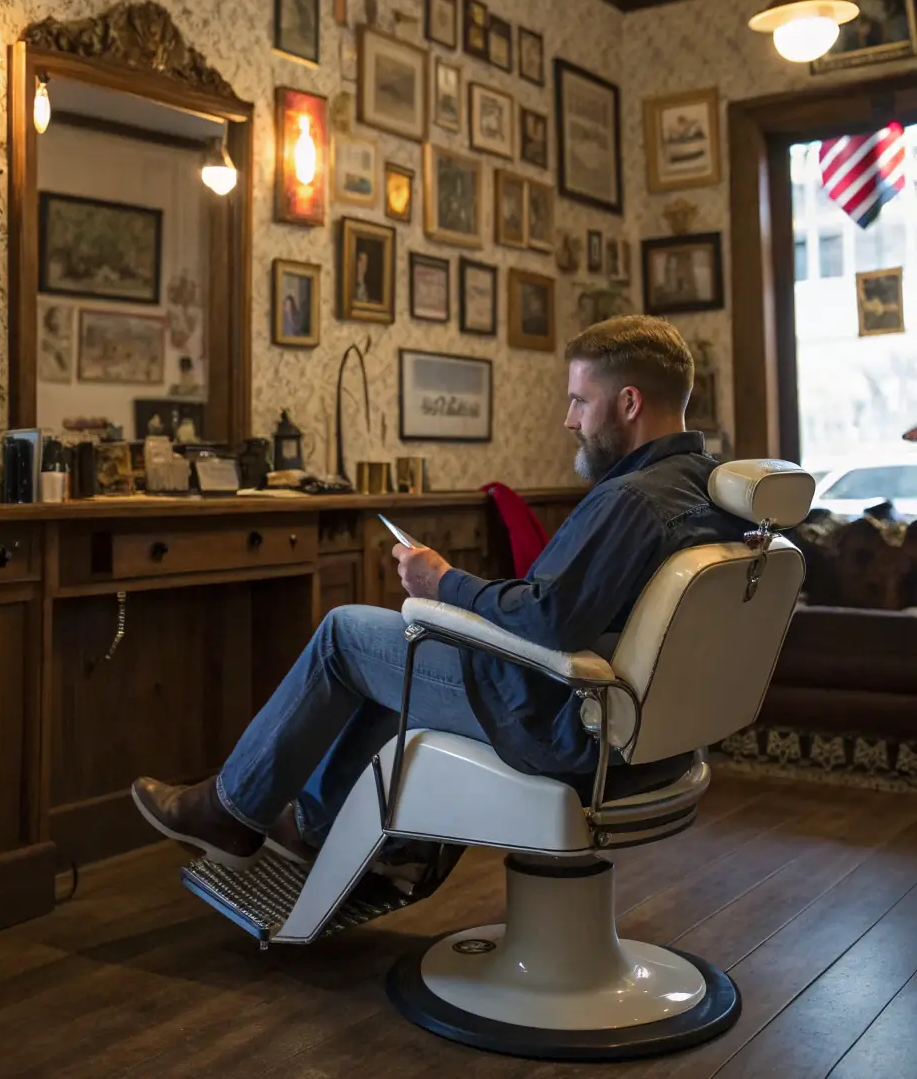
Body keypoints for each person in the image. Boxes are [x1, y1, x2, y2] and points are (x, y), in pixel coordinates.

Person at [131, 315, 749, 871]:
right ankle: (322, 829)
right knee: (396, 652)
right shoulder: (708, 489)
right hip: (654, 739)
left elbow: (549, 618)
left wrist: (442, 585)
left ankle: (231, 811)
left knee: (347, 634)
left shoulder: (631, 501)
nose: (569, 420)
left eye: (579, 401)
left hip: (560, 723)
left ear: (629, 401)